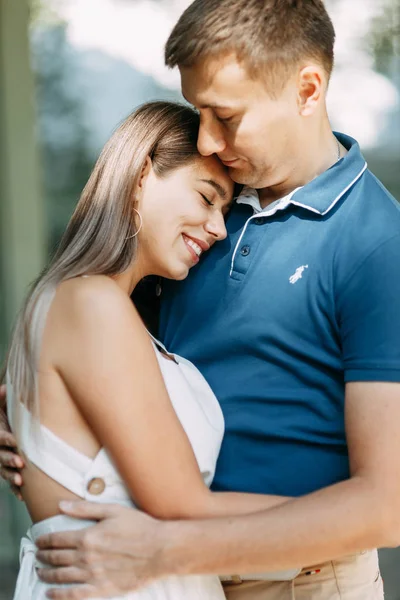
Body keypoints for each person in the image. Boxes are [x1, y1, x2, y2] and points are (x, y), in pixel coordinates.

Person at [1, 0, 400, 598]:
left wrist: (168, 550)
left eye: (225, 115)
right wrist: (40, 434)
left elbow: (385, 503)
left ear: (308, 89)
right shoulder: (187, 229)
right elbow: (105, 365)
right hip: (161, 571)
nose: (207, 139)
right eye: (197, 112)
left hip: (298, 582)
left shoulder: (378, 244)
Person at [0, 100, 304, 600]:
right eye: (207, 198)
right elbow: (183, 507)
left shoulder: (105, 311)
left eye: (225, 212)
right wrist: (352, 515)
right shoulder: (91, 303)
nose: (219, 228)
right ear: (142, 174)